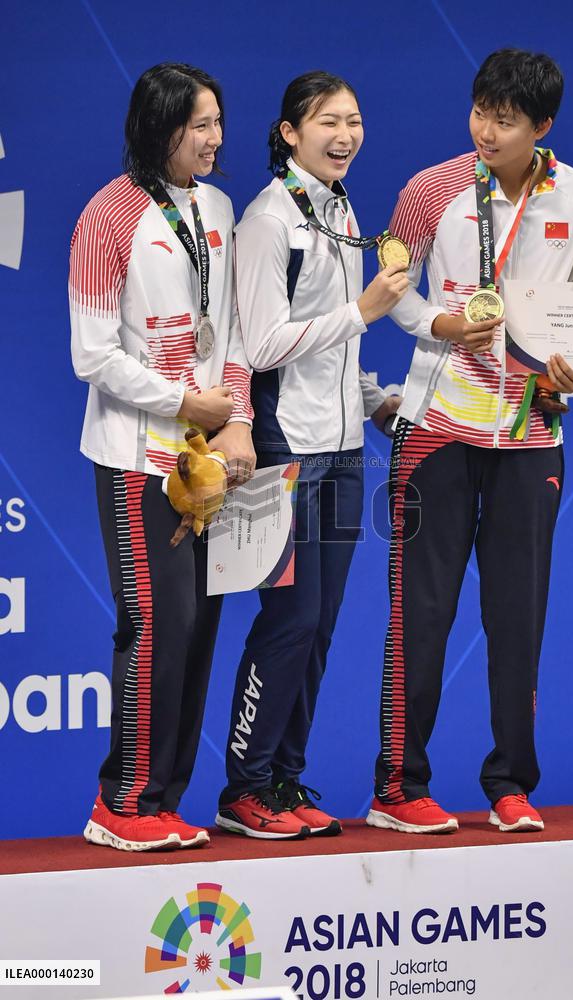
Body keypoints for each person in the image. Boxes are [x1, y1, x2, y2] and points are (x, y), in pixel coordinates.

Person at [367, 48, 573, 836]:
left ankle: (510, 784)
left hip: (531, 432)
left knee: (518, 616)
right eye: (480, 112)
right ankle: (399, 787)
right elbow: (389, 297)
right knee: (422, 614)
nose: (486, 131)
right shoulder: (429, 191)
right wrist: (442, 323)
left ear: (543, 127)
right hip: (438, 428)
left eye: (505, 121)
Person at [216, 70, 408, 839]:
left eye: (355, 120)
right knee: (290, 620)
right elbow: (262, 346)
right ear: (290, 132)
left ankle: (285, 782)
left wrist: (373, 400)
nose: (345, 135)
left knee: (322, 622)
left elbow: (334, 345)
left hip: (344, 448)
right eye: (328, 121)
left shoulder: (339, 208)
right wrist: (362, 311)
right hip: (283, 446)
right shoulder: (269, 221)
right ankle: (244, 789)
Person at [69, 63, 255, 852]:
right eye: (198, 125)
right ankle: (121, 804)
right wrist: (186, 405)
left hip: (207, 456)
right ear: (159, 127)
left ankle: (163, 801)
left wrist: (235, 419)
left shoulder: (217, 205)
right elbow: (92, 354)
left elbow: (235, 331)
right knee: (155, 620)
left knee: (198, 627)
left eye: (218, 121)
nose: (214, 138)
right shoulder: (107, 218)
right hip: (136, 454)